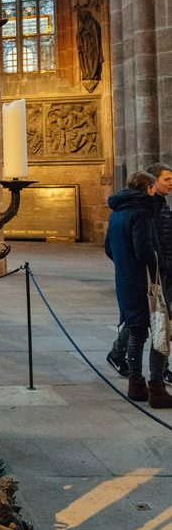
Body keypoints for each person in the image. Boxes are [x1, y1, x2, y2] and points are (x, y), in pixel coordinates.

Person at [104, 171, 172, 407]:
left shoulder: (116, 214)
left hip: (126, 280)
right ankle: (157, 388)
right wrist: (161, 263)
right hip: (148, 281)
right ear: (148, 188)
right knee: (160, 329)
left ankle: (135, 384)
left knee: (136, 331)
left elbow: (109, 249)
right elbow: (144, 249)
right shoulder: (141, 212)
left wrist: (126, 266)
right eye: (153, 187)